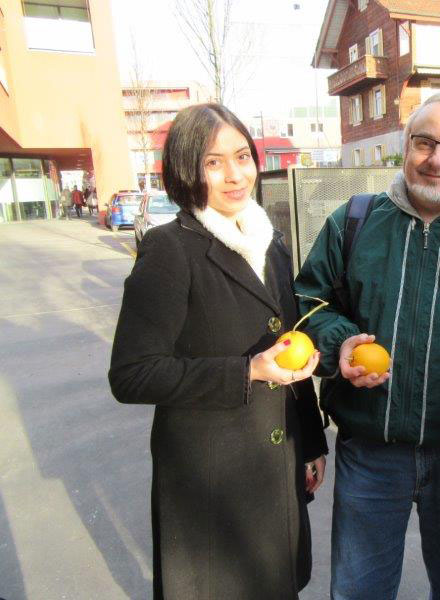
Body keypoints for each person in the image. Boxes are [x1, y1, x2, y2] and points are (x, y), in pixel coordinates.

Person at [294, 91, 440, 600]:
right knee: (359, 592)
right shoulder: (354, 222)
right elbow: (308, 302)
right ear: (405, 146)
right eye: (424, 142)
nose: (437, 159)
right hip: (370, 454)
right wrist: (339, 345)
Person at [108, 103, 328, 599]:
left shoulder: (270, 245)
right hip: (211, 486)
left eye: (242, 156)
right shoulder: (170, 248)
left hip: (276, 471)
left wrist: (312, 443)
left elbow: (289, 344)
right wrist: (246, 371)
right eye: (213, 162)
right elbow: (131, 374)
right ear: (187, 169)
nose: (235, 175)